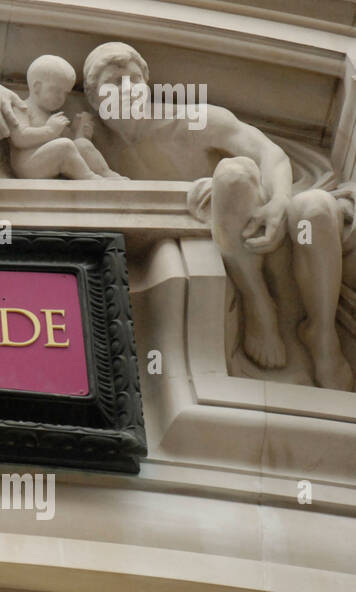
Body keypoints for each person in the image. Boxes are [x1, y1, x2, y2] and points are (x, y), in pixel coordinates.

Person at [83, 41, 355, 390]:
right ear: (93, 98)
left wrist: (277, 203)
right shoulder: (102, 149)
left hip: (268, 222)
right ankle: (257, 304)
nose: (128, 89)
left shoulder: (192, 121)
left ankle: (323, 337)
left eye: (135, 79)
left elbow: (269, 153)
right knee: (232, 178)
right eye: (114, 82)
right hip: (235, 252)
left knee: (294, 198)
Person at [0, 54, 124, 180]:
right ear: (37, 87)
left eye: (65, 93)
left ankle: (106, 173)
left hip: (51, 159)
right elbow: (19, 138)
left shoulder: (54, 117)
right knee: (64, 146)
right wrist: (49, 130)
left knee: (81, 144)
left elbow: (73, 146)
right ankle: (90, 178)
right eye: (56, 90)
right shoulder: (22, 107)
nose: (61, 98)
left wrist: (80, 133)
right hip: (28, 165)